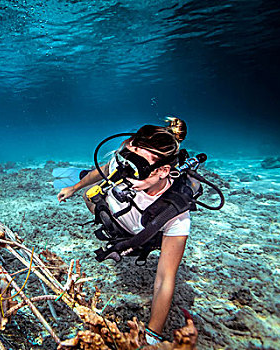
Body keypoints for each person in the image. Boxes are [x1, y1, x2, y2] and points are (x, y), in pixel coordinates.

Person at [57, 118, 190, 345]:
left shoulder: (175, 215)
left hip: (139, 236)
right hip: (112, 214)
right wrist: (74, 187)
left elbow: (165, 278)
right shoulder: (123, 165)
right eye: (124, 160)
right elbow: (104, 170)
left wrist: (151, 336)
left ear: (163, 170)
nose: (125, 171)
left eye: (136, 167)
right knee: (89, 195)